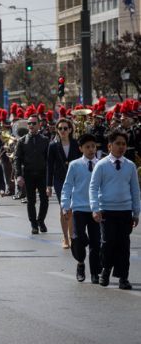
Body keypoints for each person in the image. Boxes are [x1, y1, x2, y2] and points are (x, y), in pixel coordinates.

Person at [89, 131, 140, 290]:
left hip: (125, 211)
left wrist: (136, 212)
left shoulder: (130, 166)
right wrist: (95, 208)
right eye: (117, 144)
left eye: (124, 144)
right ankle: (105, 270)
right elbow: (93, 187)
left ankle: (123, 277)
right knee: (108, 242)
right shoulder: (101, 165)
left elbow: (135, 190)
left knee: (124, 245)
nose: (121, 147)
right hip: (107, 211)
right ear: (109, 146)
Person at [60, 134, 101, 284]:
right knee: (77, 238)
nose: (91, 150)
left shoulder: (101, 165)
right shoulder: (74, 165)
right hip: (78, 208)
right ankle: (80, 263)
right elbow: (67, 186)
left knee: (96, 242)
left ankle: (96, 272)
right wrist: (65, 205)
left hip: (95, 209)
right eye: (87, 147)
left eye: (93, 146)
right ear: (81, 149)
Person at [47, 118, 81, 249]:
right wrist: (48, 186)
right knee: (64, 209)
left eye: (65, 128)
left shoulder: (76, 144)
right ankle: (65, 238)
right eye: (60, 128)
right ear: (57, 130)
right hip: (59, 180)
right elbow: (49, 166)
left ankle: (72, 235)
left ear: (70, 130)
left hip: (74, 179)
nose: (63, 131)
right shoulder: (53, 145)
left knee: (72, 209)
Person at [15, 115, 50, 235]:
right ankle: (34, 224)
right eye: (29, 123)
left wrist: (50, 176)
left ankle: (41, 221)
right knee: (31, 201)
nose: (31, 126)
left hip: (42, 174)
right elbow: (17, 159)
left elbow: (49, 159)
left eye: (34, 123)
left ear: (39, 125)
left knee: (44, 200)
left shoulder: (45, 140)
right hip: (28, 175)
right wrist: (18, 175)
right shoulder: (22, 141)